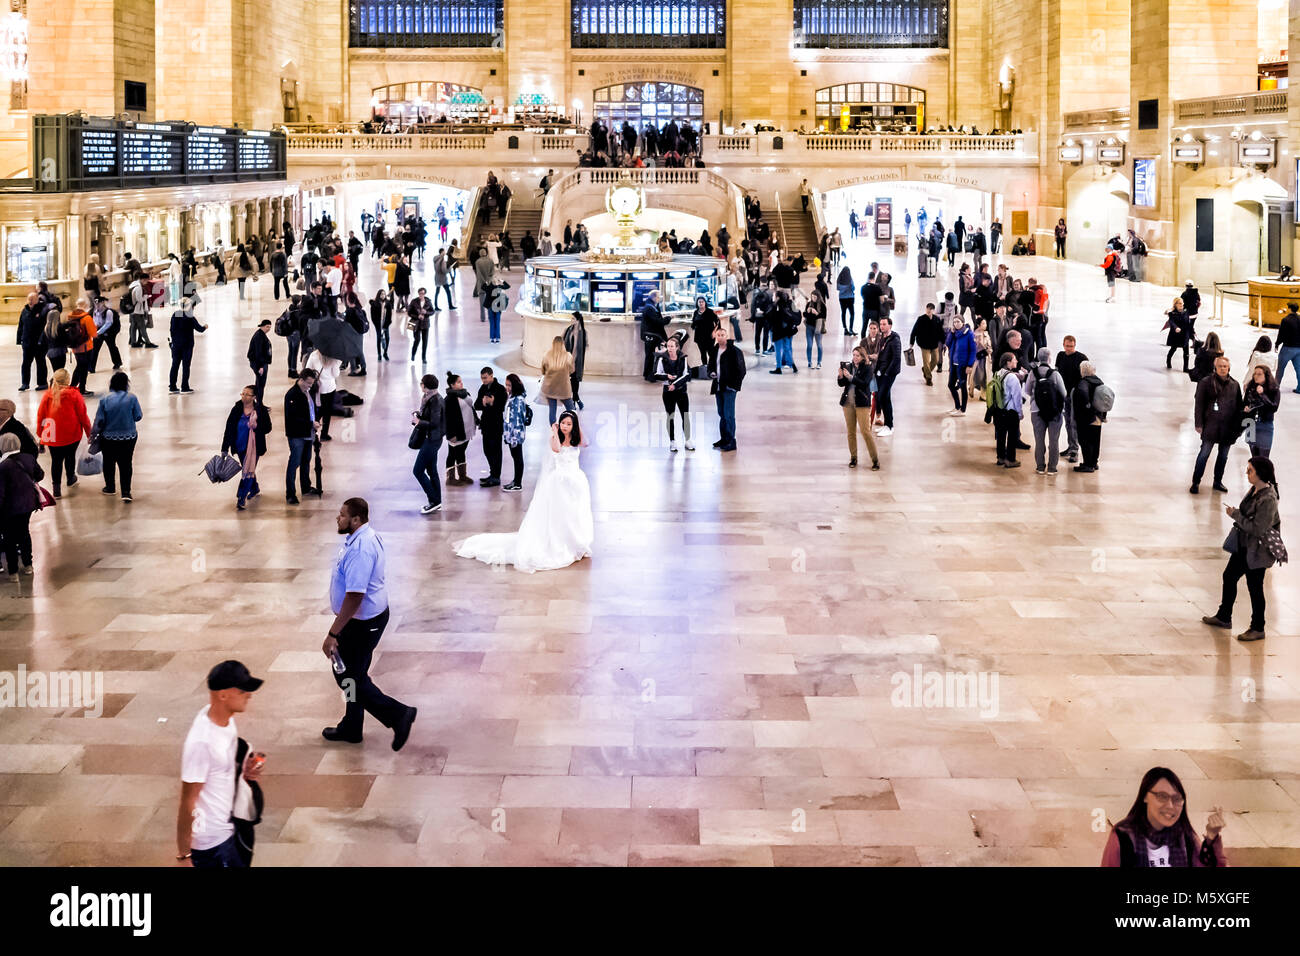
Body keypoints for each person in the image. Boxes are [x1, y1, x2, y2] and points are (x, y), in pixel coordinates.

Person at [322, 498, 418, 748]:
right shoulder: (361, 538)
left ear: (356, 520)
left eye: (342, 515)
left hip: (362, 622)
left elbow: (355, 595)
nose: (338, 518)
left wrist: (333, 632)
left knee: (347, 677)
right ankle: (352, 726)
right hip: (364, 619)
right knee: (354, 674)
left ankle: (398, 714)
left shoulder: (361, 548)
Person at [454, 411, 593, 573]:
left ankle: (574, 542)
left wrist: (578, 425)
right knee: (560, 514)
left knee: (574, 514)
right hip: (559, 483)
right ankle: (560, 542)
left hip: (575, 482)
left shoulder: (576, 439)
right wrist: (555, 432)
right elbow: (556, 449)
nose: (565, 427)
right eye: (563, 423)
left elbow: (586, 443)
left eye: (569, 424)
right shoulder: (555, 438)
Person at [177, 660, 265, 868]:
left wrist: (246, 769)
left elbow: (223, 763)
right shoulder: (201, 742)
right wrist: (184, 856)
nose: (249, 695)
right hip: (211, 845)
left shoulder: (225, 720)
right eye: (243, 691)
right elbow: (187, 800)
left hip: (230, 827)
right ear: (223, 694)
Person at [1201, 457, 1282, 643]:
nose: (1247, 473)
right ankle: (1224, 615)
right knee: (1229, 576)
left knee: (1255, 588)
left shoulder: (1268, 498)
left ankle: (1258, 627)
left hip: (1257, 551)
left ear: (1260, 473)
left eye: (1250, 470)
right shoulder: (1255, 490)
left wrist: (1235, 515)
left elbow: (1258, 529)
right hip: (1244, 546)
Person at [1100, 767, 1226, 867]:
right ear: (1144, 796)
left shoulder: (1186, 837)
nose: (1170, 805)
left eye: (1176, 799)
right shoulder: (1123, 836)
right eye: (1162, 796)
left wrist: (1211, 837)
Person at [1190, 355, 1242, 495]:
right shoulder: (1206, 382)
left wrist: (1238, 429)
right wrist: (1198, 423)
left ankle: (1217, 481)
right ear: (1215, 367)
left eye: (1225, 366)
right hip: (1210, 426)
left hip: (1227, 428)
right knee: (1204, 454)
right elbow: (1199, 404)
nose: (1223, 369)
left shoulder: (1235, 385)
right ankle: (1196, 482)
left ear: (1229, 368)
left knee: (1223, 456)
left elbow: (1239, 407)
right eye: (1220, 366)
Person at [36, 369, 91, 498]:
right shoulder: (74, 395)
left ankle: (56, 489)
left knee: (56, 460)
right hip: (72, 434)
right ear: (68, 380)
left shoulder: (47, 396)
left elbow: (41, 417)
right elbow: (83, 416)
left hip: (52, 435)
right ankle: (70, 478)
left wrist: (40, 434)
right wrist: (89, 433)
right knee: (70, 457)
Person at [222, 385, 272, 511]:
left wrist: (256, 426)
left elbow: (268, 428)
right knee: (249, 468)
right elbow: (229, 428)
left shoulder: (260, 410)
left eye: (247, 394)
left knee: (247, 471)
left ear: (254, 397)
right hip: (240, 445)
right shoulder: (237, 408)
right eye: (242, 393)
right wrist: (224, 448)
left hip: (254, 447)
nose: (244, 396)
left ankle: (241, 497)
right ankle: (254, 488)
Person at [94, 372, 142, 501]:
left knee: (108, 462)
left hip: (108, 437)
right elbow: (138, 416)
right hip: (129, 436)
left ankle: (110, 487)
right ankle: (126, 491)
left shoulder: (105, 399)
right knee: (126, 463)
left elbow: (99, 420)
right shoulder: (132, 398)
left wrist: (93, 434)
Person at [0, 432, 42, 578]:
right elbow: (40, 474)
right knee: (24, 534)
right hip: (28, 504)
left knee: (9, 539)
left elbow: (1, 492)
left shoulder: (3, 466)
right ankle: (28, 565)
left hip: (9, 509)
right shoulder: (28, 458)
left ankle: (13, 573)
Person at [838, 345, 879, 470]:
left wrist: (850, 377)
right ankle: (853, 457)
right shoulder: (849, 366)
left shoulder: (868, 367)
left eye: (857, 355)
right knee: (851, 432)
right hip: (848, 403)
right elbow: (841, 384)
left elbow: (864, 384)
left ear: (862, 356)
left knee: (865, 431)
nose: (855, 358)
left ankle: (875, 460)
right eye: (853, 355)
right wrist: (841, 376)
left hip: (862, 403)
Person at [1027, 348, 1067, 476]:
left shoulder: (1033, 373)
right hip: (1054, 411)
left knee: (1039, 440)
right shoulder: (1055, 374)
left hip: (1036, 410)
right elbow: (1064, 393)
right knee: (1053, 440)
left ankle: (1040, 467)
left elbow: (1027, 391)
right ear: (1049, 358)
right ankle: (1052, 468)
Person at [283, 369, 320, 505]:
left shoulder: (308, 392)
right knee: (294, 463)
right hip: (297, 435)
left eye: (312, 383)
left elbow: (311, 409)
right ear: (301, 379)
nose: (310, 386)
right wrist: (311, 423)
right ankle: (290, 494)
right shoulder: (292, 395)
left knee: (306, 461)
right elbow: (292, 418)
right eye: (308, 383)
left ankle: (305, 487)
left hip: (308, 433)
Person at [411, 373, 444, 513]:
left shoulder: (435, 400)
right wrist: (419, 415)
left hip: (432, 439)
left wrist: (419, 422)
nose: (420, 385)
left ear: (425, 386)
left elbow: (435, 422)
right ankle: (437, 501)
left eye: (422, 383)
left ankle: (434, 500)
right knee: (432, 471)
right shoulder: (428, 398)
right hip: (430, 438)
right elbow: (429, 416)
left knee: (417, 470)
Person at [655, 335, 694, 452]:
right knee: (670, 416)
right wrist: (666, 377)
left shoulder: (683, 358)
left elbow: (687, 375)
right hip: (668, 392)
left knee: (685, 416)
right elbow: (656, 374)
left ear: (677, 347)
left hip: (681, 391)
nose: (670, 348)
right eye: (668, 346)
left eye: (672, 346)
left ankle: (687, 440)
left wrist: (675, 385)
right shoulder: (662, 359)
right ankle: (672, 441)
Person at [709, 326, 745, 451]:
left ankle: (731, 440)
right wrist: (711, 373)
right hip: (718, 386)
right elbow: (711, 366)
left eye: (722, 335)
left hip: (729, 388)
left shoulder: (734, 351)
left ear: (727, 336)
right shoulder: (714, 350)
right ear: (716, 337)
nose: (720, 337)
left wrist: (734, 386)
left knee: (729, 414)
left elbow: (741, 370)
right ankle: (724, 438)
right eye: (718, 335)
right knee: (721, 413)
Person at [1055, 335, 1089, 462]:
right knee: (1068, 422)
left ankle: (1075, 450)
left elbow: (1086, 377)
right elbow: (1057, 373)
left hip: (1075, 396)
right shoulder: (1060, 356)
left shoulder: (1082, 358)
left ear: (1075, 346)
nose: (1069, 348)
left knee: (1074, 422)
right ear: (1063, 345)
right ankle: (1070, 446)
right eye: (1067, 346)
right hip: (1063, 394)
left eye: (1071, 346)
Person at [474, 366, 508, 487]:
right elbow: (476, 405)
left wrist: (492, 402)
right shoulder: (483, 388)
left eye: (485, 378)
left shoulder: (500, 389)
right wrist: (483, 403)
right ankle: (492, 473)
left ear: (491, 375)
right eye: (482, 378)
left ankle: (495, 477)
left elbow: (501, 407)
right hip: (486, 424)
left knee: (496, 451)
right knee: (487, 450)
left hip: (496, 424)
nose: (483, 380)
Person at [442, 372, 477, 487]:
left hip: (466, 430)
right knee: (452, 454)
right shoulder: (449, 399)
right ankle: (450, 478)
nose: (461, 383)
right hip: (456, 433)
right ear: (452, 385)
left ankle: (462, 476)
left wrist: (477, 420)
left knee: (461, 452)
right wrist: (451, 434)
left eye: (461, 381)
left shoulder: (465, 393)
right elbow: (447, 419)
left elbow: (471, 408)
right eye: (458, 382)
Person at [1072, 360, 1107, 473]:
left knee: (1085, 441)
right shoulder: (1099, 381)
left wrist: (1087, 407)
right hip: (1098, 417)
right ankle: (1094, 462)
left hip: (1087, 418)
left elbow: (1082, 395)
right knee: (1095, 441)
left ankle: (1088, 464)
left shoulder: (1083, 383)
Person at [991, 352, 1025, 468]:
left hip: (999, 410)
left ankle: (1000, 458)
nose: (1016, 361)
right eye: (1014, 359)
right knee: (1012, 436)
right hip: (1010, 412)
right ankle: (1010, 460)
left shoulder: (997, 374)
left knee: (1000, 435)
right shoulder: (1012, 377)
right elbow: (1017, 397)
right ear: (1008, 362)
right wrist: (1020, 413)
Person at [303, 347, 341, 442]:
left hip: (317, 388)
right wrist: (337, 363)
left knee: (316, 410)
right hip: (329, 388)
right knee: (327, 411)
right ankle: (324, 434)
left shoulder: (313, 355)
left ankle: (312, 431)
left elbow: (307, 370)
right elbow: (335, 374)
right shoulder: (333, 357)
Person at [1242, 365, 1279, 459]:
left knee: (1263, 458)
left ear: (1266, 375)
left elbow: (1274, 408)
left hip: (1265, 424)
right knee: (1254, 456)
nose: (1256, 376)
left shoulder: (1274, 389)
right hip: (1250, 423)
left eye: (1259, 374)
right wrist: (1245, 407)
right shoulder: (1250, 387)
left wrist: (1262, 394)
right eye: (1255, 374)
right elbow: (1245, 402)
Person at [873, 317, 901, 436]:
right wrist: (877, 371)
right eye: (881, 324)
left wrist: (887, 373)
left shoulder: (894, 339)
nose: (882, 326)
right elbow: (881, 355)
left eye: (884, 324)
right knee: (884, 397)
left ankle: (890, 426)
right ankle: (887, 425)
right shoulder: (882, 338)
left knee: (883, 397)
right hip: (881, 372)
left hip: (889, 373)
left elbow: (896, 358)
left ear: (890, 325)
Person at [65, 298, 98, 396]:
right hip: (86, 347)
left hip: (75, 347)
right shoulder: (86, 318)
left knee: (79, 366)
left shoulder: (71, 317)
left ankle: (73, 387)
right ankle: (80, 388)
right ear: (86, 305)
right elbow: (94, 334)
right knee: (83, 368)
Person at [540, 336, 576, 424]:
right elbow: (572, 370)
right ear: (563, 344)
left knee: (552, 410)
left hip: (550, 388)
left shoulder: (546, 355)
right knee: (571, 409)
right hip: (564, 388)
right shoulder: (568, 356)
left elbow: (543, 371)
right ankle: (573, 426)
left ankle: (554, 431)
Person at [16, 293, 48, 392]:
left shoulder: (42, 310)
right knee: (26, 363)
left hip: (39, 343)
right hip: (27, 342)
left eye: (32, 299)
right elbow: (21, 325)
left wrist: (42, 339)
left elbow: (45, 327)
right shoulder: (24, 311)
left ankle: (42, 383)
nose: (30, 301)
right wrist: (19, 339)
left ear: (37, 300)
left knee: (40, 362)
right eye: (29, 299)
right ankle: (25, 383)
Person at [502, 374, 528, 492]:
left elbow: (517, 420)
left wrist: (513, 438)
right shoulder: (513, 396)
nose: (507, 387)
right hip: (511, 433)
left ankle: (517, 483)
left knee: (517, 458)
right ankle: (516, 481)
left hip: (515, 435)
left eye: (509, 385)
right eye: (506, 385)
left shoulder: (517, 400)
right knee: (516, 457)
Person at [909, 303, 945, 387]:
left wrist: (943, 342)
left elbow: (940, 331)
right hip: (924, 344)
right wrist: (911, 343)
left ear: (933, 310)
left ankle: (925, 370)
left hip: (934, 344)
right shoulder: (921, 319)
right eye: (927, 309)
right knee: (926, 362)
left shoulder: (936, 319)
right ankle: (928, 378)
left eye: (930, 310)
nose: (928, 311)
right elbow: (914, 331)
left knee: (935, 360)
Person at [640, 290, 667, 382]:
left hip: (651, 335)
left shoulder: (651, 306)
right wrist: (668, 319)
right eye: (659, 297)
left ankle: (648, 374)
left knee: (650, 355)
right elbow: (657, 322)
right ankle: (648, 374)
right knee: (650, 355)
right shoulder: (650, 308)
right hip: (651, 335)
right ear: (654, 297)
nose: (659, 299)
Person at [563, 312, 587, 410]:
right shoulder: (569, 329)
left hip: (576, 361)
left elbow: (577, 348)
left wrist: (572, 360)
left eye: (573, 319)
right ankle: (577, 400)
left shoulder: (581, 332)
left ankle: (574, 401)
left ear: (577, 320)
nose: (571, 320)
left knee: (574, 379)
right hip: (568, 359)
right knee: (571, 380)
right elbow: (563, 341)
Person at [1275, 300, 1300, 393]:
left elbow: (1282, 334)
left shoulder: (1285, 320)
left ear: (1289, 308)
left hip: (1288, 348)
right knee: (1299, 369)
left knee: (1280, 368)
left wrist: (1277, 343)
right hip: (1299, 348)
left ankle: (1275, 387)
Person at [248, 319, 273, 402]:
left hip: (261, 363)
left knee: (259, 384)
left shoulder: (261, 334)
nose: (268, 329)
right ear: (262, 326)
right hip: (259, 364)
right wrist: (260, 366)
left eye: (269, 327)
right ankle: (259, 405)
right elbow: (258, 353)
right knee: (260, 385)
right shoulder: (259, 337)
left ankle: (259, 403)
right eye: (267, 327)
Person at [1163, 298, 1192, 372]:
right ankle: (1168, 360)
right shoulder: (1172, 313)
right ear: (1175, 304)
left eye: (1182, 303)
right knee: (1173, 348)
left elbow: (1188, 323)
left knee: (1186, 352)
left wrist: (1192, 332)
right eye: (1179, 303)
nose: (1181, 305)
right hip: (1176, 334)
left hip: (1185, 334)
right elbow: (1171, 322)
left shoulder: (1186, 311)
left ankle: (1185, 368)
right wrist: (1176, 327)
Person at [835, 265, 856, 335]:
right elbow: (853, 288)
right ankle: (850, 329)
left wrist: (844, 288)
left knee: (843, 313)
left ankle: (845, 329)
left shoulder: (839, 278)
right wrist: (848, 287)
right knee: (852, 313)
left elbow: (838, 288)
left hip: (842, 298)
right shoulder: (850, 279)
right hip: (850, 298)